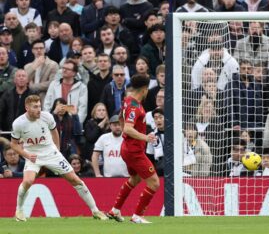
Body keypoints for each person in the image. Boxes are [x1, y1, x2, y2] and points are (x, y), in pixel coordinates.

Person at [10, 94, 107, 222]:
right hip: (32, 155)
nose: (39, 109)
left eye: (39, 106)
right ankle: (19, 210)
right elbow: (13, 144)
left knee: (75, 179)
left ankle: (95, 210)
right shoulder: (18, 123)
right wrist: (27, 155)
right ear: (27, 108)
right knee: (28, 181)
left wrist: (57, 149)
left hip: (51, 153)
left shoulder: (47, 116)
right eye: (35, 107)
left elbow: (55, 132)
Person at [106, 75, 159, 224]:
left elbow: (120, 118)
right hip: (134, 151)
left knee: (135, 179)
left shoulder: (127, 99)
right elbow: (129, 128)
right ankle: (137, 216)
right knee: (154, 183)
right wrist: (145, 137)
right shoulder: (135, 107)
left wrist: (124, 129)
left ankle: (115, 210)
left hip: (127, 148)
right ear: (144, 89)